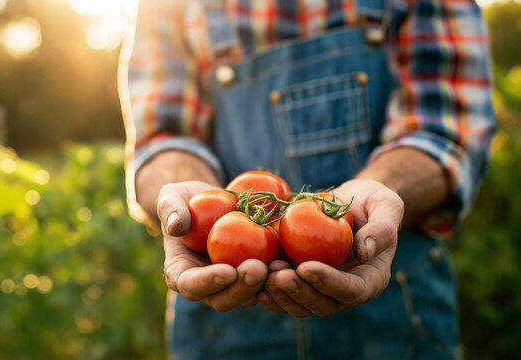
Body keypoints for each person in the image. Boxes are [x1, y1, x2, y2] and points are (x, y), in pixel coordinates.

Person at [118, 0, 495, 359]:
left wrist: (380, 191)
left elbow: (446, 127)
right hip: (225, 326)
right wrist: (191, 202)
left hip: (396, 307)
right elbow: (161, 139)